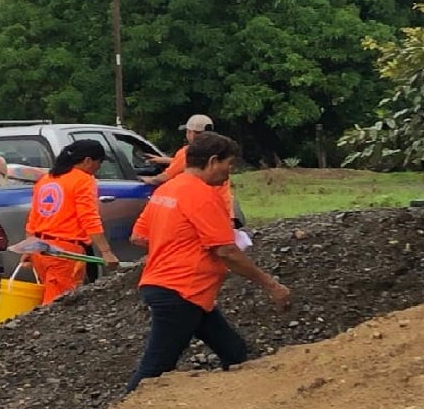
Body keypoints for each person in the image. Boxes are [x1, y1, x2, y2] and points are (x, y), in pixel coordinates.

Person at [125, 132, 290, 393]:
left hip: (174, 288)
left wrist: (177, 245)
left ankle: (239, 405)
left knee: (234, 351)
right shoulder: (203, 195)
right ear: (213, 161)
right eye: (229, 164)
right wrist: (271, 285)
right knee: (154, 370)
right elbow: (226, 251)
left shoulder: (167, 189)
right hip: (181, 291)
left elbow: (137, 237)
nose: (229, 172)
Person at [20, 139, 120, 304]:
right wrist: (106, 252)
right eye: (99, 162)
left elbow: (34, 217)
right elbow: (88, 218)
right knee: (56, 307)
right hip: (64, 252)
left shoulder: (47, 179)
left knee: (50, 299)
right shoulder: (83, 180)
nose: (99, 167)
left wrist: (28, 248)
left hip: (40, 248)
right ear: (88, 160)